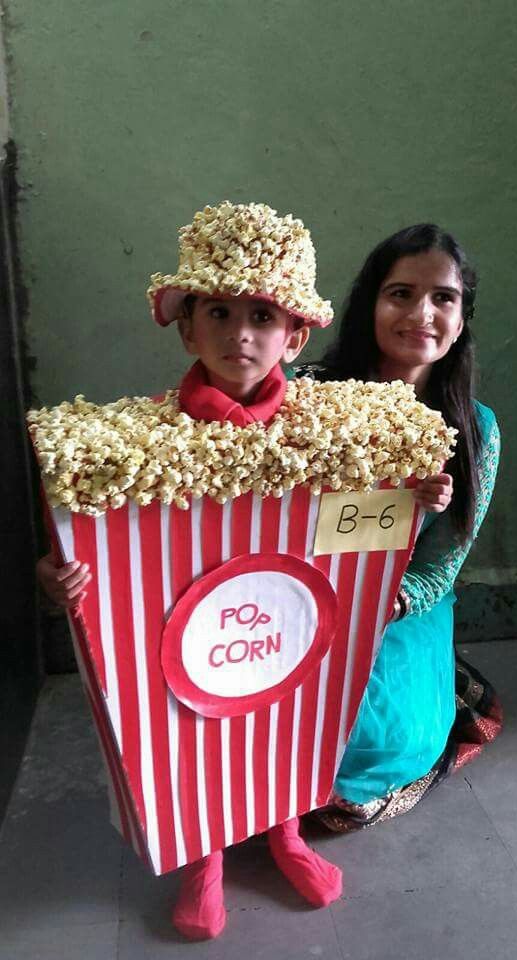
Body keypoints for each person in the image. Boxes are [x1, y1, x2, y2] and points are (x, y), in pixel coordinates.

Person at [35, 203, 453, 939]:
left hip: (285, 613)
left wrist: (413, 501)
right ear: (186, 326)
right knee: (189, 716)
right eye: (219, 313)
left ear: (294, 336)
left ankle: (287, 834)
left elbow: (360, 540)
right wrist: (66, 573)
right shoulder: (138, 446)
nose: (240, 334)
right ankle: (204, 860)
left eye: (263, 315)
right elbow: (98, 548)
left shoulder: (331, 435)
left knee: (296, 697)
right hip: (192, 629)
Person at [297, 223, 502, 831]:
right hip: (302, 588)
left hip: (396, 604)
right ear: (370, 306)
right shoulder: (308, 395)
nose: (422, 313)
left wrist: (390, 598)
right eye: (401, 293)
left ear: (462, 318)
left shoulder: (475, 428)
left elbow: (443, 563)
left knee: (377, 745)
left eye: (443, 297)